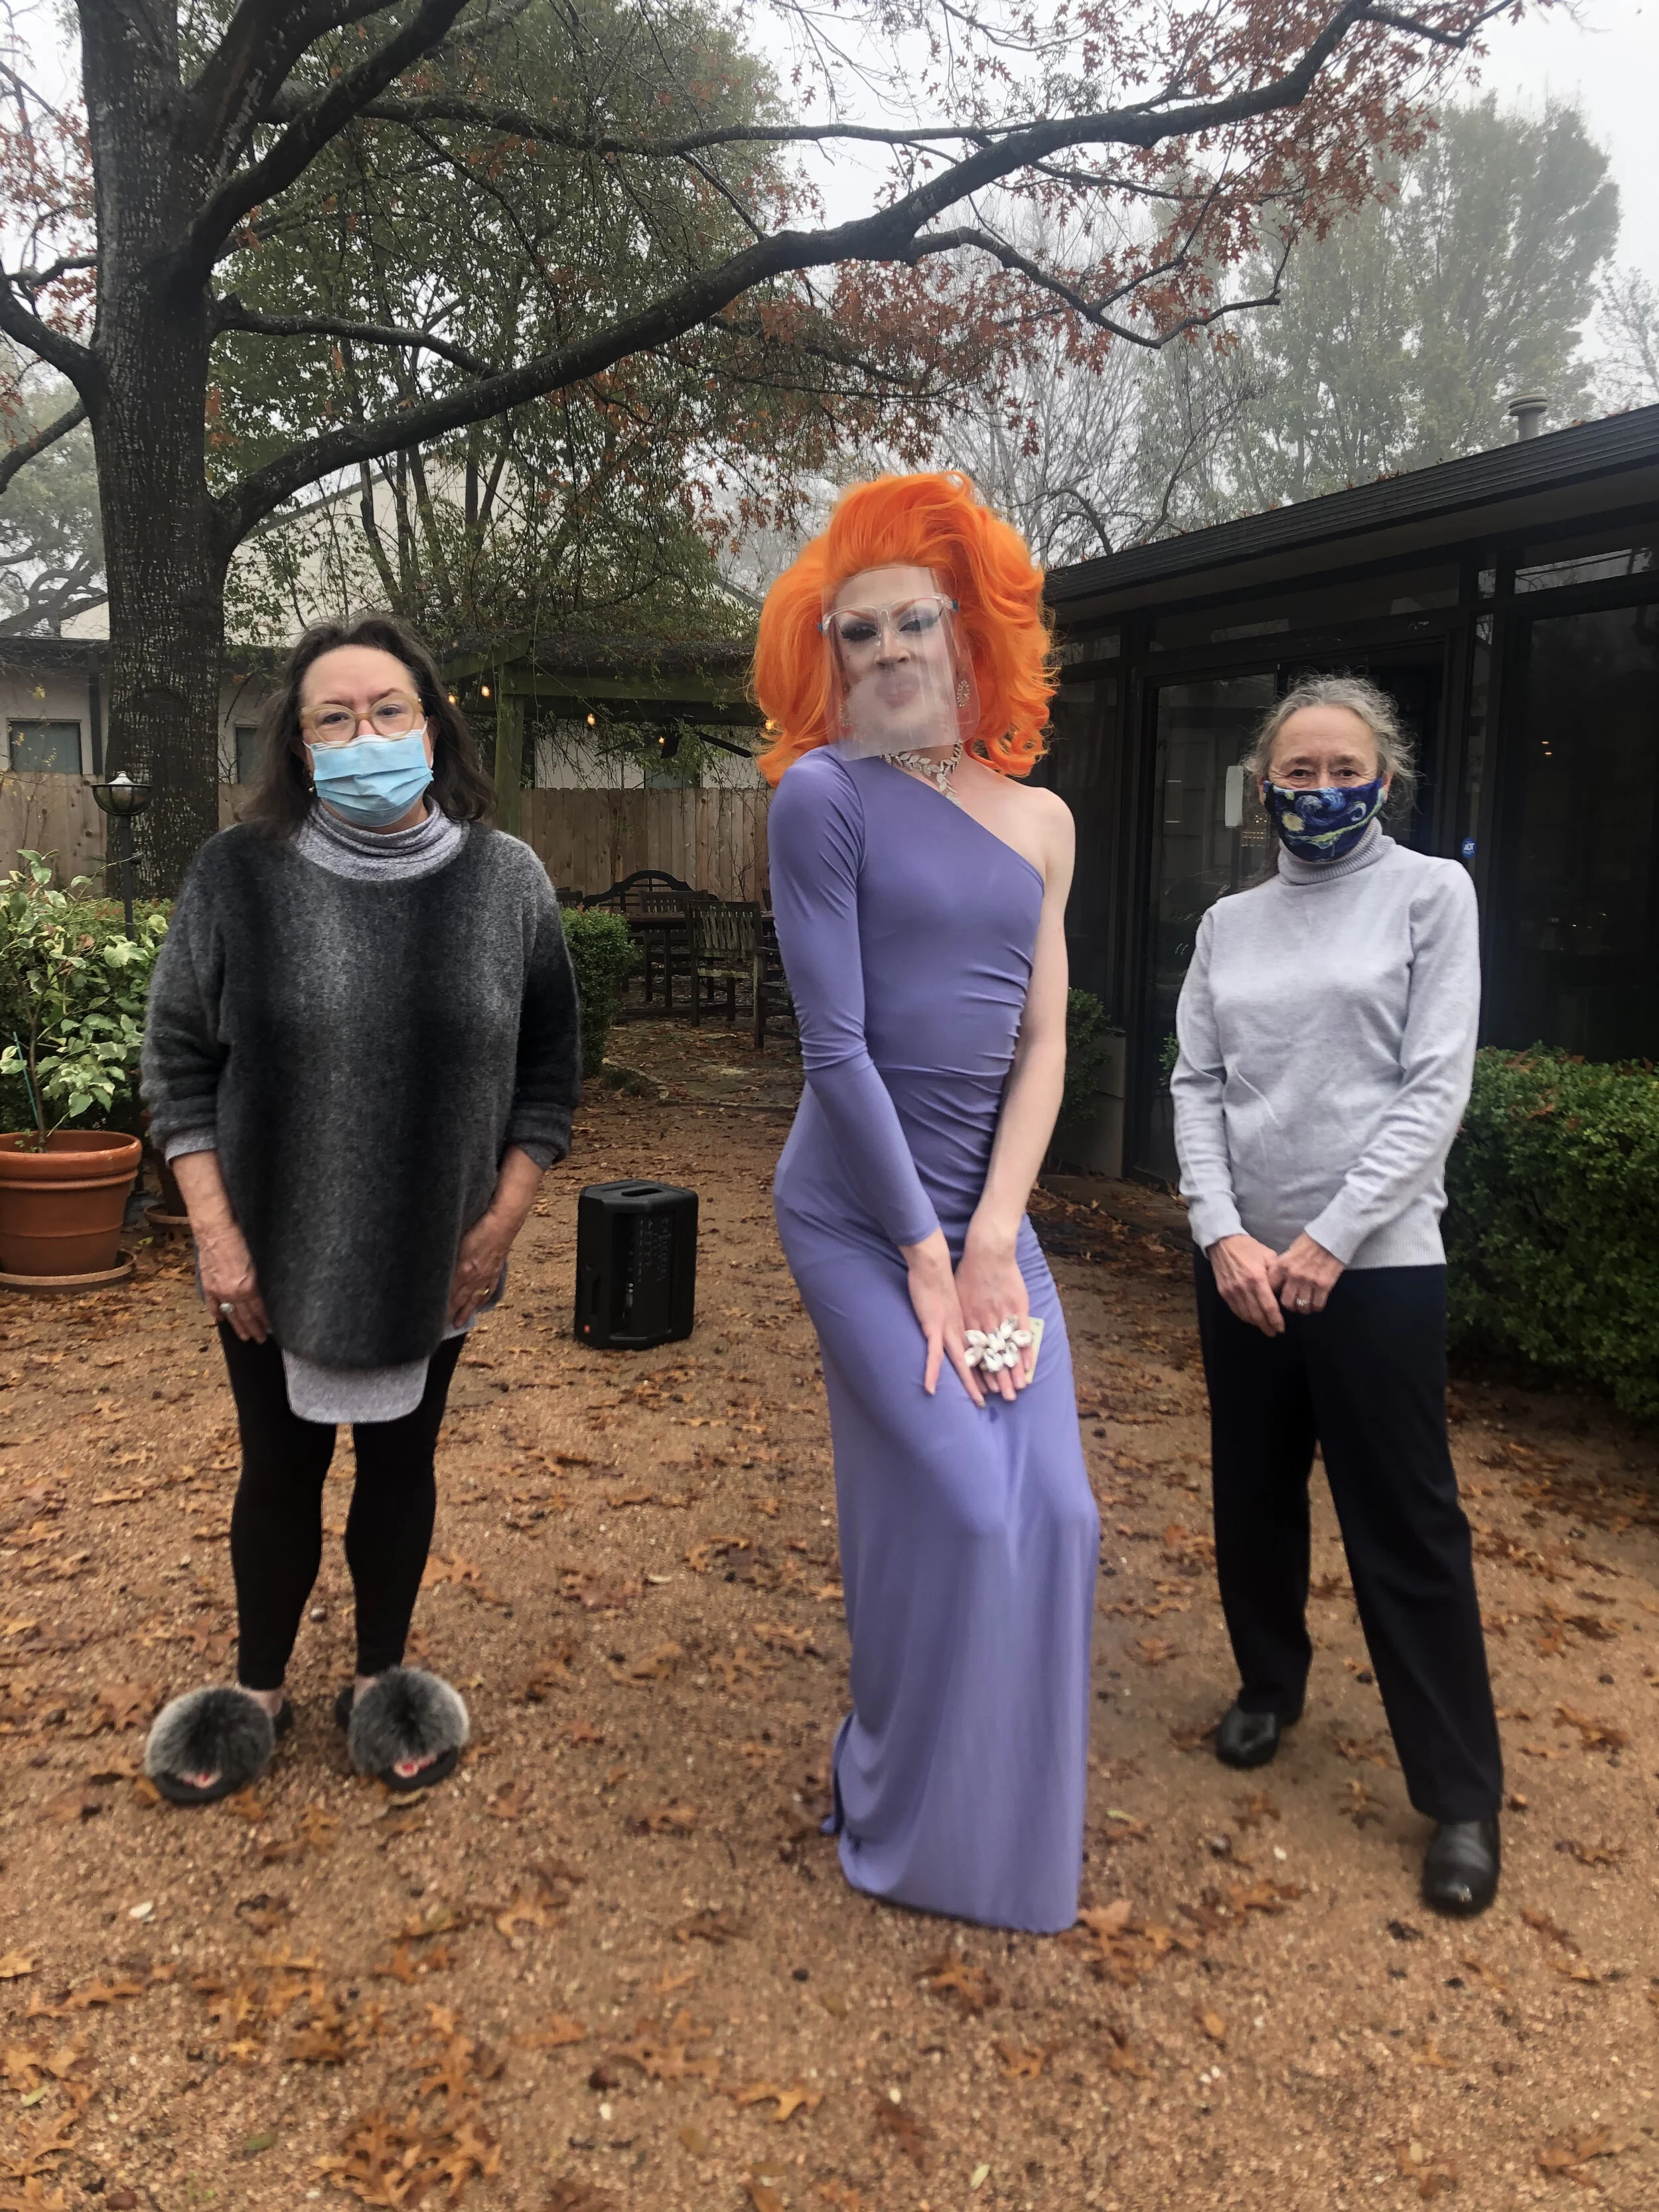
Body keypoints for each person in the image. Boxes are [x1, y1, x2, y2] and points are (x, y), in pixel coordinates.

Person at [139, 615, 579, 1805]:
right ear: (299, 742)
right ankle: (259, 1691)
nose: (364, 734)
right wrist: (217, 1236)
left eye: (388, 710)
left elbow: (548, 1078)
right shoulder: (235, 879)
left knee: (401, 1463)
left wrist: (500, 1226)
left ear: (433, 725)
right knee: (276, 1470)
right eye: (333, 718)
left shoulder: (506, 885)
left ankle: (382, 1676)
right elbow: (176, 1063)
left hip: (434, 1256)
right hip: (266, 1254)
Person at [755, 471, 1098, 1935]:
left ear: (972, 637)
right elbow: (832, 1046)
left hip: (985, 1231)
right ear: (823, 661)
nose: (889, 648)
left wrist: (989, 1243)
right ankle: (884, 1785)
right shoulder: (820, 798)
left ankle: (1001, 1831)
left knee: (1062, 1520)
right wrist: (918, 1253)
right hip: (854, 1221)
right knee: (959, 1510)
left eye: (915, 620)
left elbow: (1044, 1042)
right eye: (856, 632)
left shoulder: (1041, 821)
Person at [1171, 674, 1502, 1916]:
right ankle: (1269, 1685)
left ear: (1387, 776)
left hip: (1378, 1269)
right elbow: (1195, 1086)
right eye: (1297, 773)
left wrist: (1330, 1238)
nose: (1320, 790)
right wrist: (1222, 1234)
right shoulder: (1226, 925)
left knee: (1406, 1526)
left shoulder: (1431, 894)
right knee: (1252, 1495)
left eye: (1341, 769)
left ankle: (1461, 1793)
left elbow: (1435, 1086)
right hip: (1244, 1272)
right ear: (1266, 786)